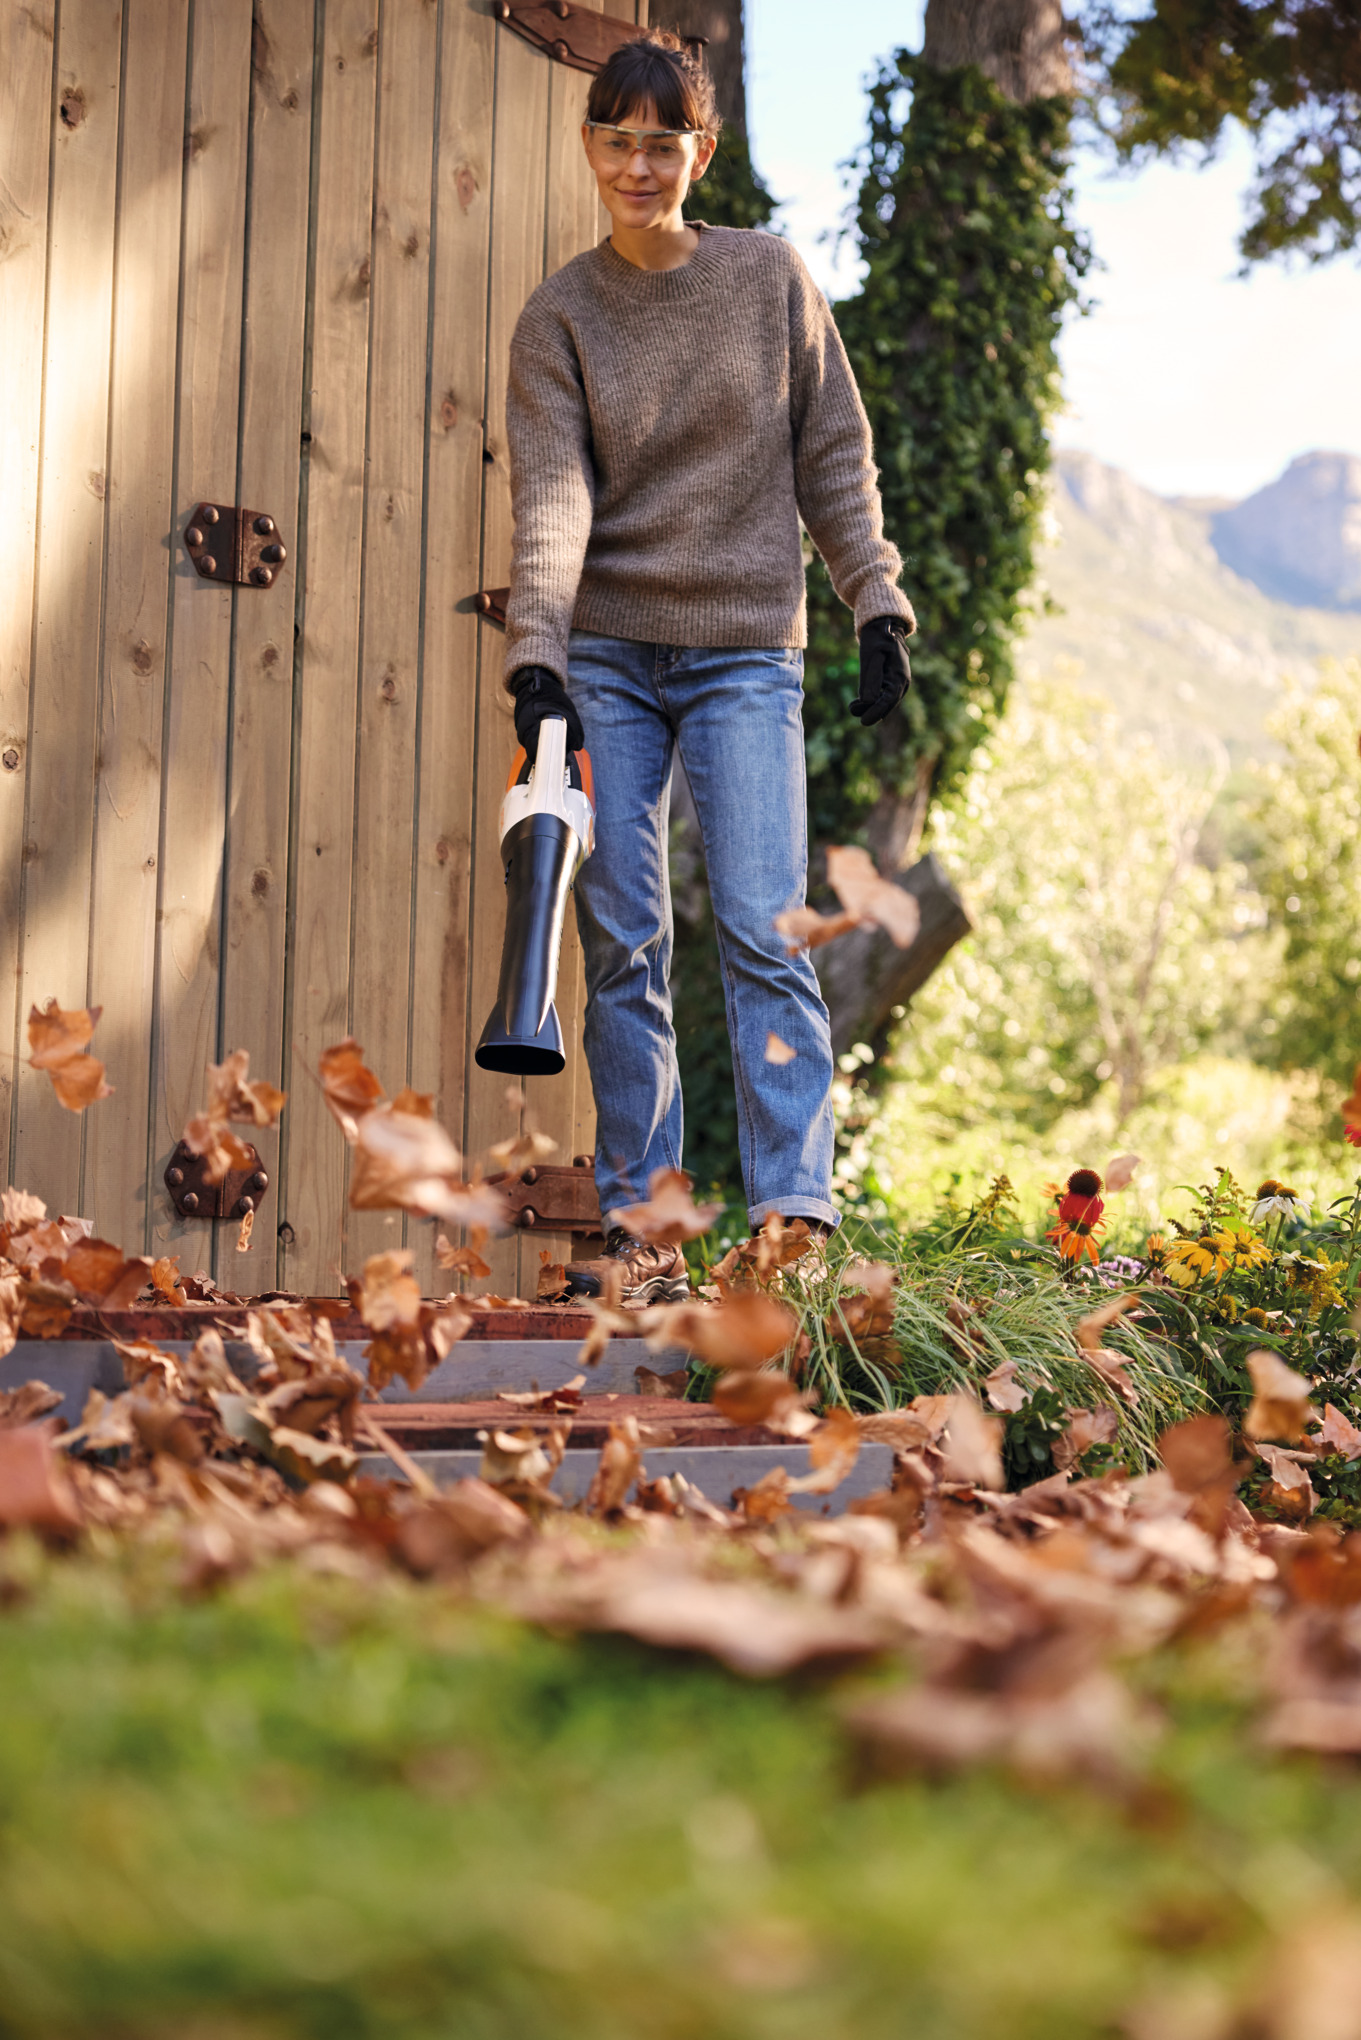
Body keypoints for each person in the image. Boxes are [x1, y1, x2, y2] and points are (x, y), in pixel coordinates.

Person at [503, 30, 914, 1304]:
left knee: (756, 923)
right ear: (588, 147)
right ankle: (644, 1233)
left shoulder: (767, 280)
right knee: (620, 932)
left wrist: (875, 602)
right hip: (611, 653)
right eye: (615, 139)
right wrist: (539, 651)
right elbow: (554, 503)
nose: (638, 163)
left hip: (744, 645)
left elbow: (832, 457)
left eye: (661, 140)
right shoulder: (560, 315)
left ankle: (791, 1214)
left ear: (701, 150)